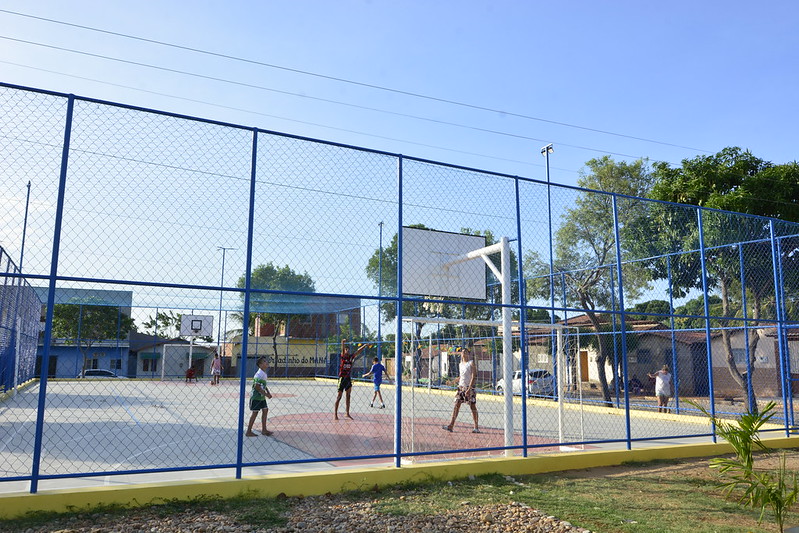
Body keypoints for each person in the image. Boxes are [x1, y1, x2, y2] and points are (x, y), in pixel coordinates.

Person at [442, 347, 479, 433]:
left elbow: (474, 376)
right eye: (463, 352)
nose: (464, 354)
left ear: (468, 354)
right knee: (456, 405)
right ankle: (451, 425)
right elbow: (461, 377)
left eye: (466, 352)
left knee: (472, 407)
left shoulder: (471, 363)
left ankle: (476, 427)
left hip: (469, 388)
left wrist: (469, 388)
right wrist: (452, 382)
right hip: (461, 388)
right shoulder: (460, 364)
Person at [334, 338, 369, 420]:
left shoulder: (350, 357)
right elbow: (342, 350)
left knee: (348, 396)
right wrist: (342, 342)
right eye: (345, 350)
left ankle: (347, 413)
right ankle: (335, 414)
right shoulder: (343, 357)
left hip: (348, 378)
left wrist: (364, 346)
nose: (347, 351)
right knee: (339, 396)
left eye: (348, 350)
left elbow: (358, 352)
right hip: (342, 378)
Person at [246, 356, 273, 436]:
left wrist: (268, 392)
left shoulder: (264, 374)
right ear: (260, 365)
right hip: (256, 397)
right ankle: (248, 431)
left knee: (265, 410)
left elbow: (263, 385)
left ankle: (264, 430)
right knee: (255, 413)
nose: (266, 362)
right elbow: (256, 386)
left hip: (261, 397)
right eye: (264, 361)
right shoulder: (258, 374)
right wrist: (266, 395)